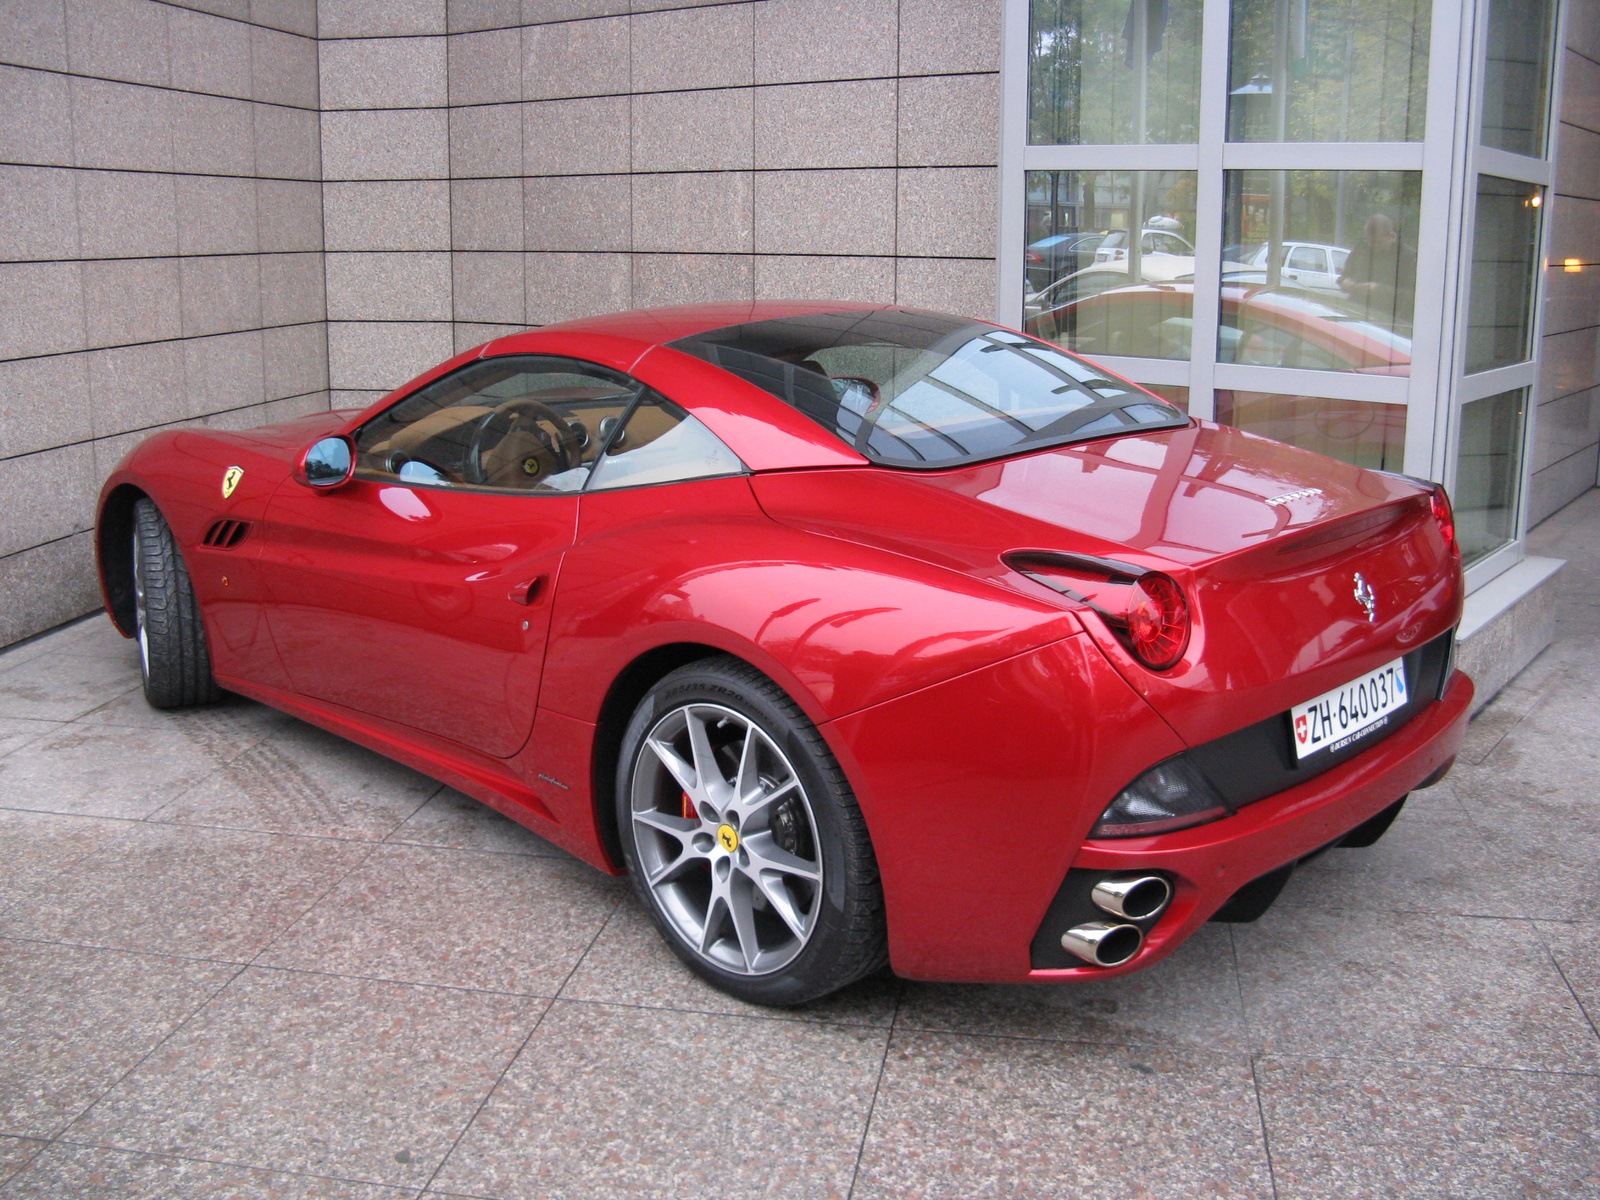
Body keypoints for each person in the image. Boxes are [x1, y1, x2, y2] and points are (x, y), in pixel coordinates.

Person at [1338, 213, 1417, 331]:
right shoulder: (1361, 247)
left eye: (1377, 242)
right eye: (1368, 241)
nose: (1372, 246)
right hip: (1354, 315)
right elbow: (1345, 275)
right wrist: (1345, 282)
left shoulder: (1409, 258)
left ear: (1392, 236)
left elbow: (1412, 297)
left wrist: (1379, 290)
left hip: (1389, 323)